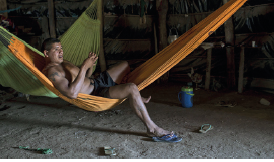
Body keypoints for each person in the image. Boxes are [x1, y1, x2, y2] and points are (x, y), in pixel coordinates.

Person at [41, 38, 181, 142]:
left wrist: (89, 67)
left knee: (125, 65)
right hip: (96, 94)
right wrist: (84, 66)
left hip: (97, 81)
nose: (61, 51)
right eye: (56, 49)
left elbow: (83, 78)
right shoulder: (53, 73)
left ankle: (132, 95)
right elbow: (72, 94)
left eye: (61, 48)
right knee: (131, 87)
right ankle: (152, 129)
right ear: (46, 53)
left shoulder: (63, 62)